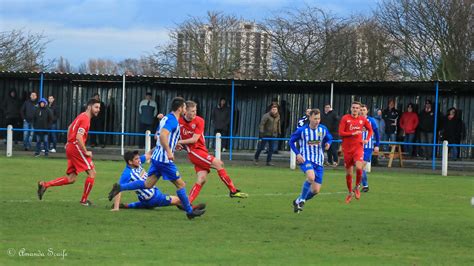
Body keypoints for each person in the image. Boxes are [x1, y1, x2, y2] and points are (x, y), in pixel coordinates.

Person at [108, 97, 205, 219]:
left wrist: (174, 143)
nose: (186, 109)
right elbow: (163, 136)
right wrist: (169, 151)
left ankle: (120, 187)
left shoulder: (167, 118)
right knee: (181, 185)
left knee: (148, 184)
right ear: (180, 108)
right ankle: (190, 212)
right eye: (185, 107)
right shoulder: (173, 121)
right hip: (164, 160)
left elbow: (158, 136)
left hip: (156, 157)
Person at [177, 101, 248, 203]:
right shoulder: (178, 122)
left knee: (202, 179)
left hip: (201, 151)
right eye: (192, 111)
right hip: (194, 152)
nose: (194, 113)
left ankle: (186, 202)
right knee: (218, 163)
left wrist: (179, 142)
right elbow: (170, 129)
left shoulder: (199, 121)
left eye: (195, 110)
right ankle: (233, 190)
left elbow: (194, 139)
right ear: (185, 111)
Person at [37, 98, 101, 206]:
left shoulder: (81, 116)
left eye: (99, 107)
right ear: (89, 107)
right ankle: (84, 201)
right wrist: (86, 152)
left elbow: (70, 127)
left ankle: (45, 184)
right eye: (96, 107)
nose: (98, 109)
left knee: (71, 179)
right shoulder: (85, 119)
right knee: (92, 173)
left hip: (71, 147)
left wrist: (69, 142)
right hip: (76, 147)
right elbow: (79, 137)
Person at [110, 150, 206, 211]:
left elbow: (149, 154)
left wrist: (160, 144)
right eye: (136, 159)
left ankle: (128, 206)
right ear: (130, 162)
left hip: (146, 199)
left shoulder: (138, 164)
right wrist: (116, 208)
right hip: (154, 198)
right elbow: (118, 189)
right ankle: (192, 208)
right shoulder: (127, 173)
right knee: (179, 199)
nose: (139, 160)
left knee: (146, 205)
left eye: (139, 158)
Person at [289, 109, 332, 213]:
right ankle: (302, 200)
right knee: (311, 177)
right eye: (315, 118)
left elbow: (329, 138)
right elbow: (291, 141)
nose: (317, 121)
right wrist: (298, 154)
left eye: (319, 118)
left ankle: (298, 200)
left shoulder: (323, 129)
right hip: (306, 159)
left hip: (319, 162)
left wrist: (328, 143)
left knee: (315, 190)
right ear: (310, 118)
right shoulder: (302, 130)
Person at [338, 101, 373, 203]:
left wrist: (366, 139)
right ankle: (350, 192)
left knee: (359, 167)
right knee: (349, 173)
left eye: (357, 108)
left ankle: (357, 187)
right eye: (353, 107)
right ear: (351, 108)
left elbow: (370, 130)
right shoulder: (345, 118)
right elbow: (341, 133)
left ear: (359, 109)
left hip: (358, 148)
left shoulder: (362, 119)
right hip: (347, 149)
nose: (355, 109)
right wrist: (353, 133)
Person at [359, 104, 380, 192]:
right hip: (357, 147)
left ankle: (360, 185)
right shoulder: (356, 120)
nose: (362, 111)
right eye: (361, 109)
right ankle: (364, 185)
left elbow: (377, 133)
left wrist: (377, 145)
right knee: (360, 168)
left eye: (364, 109)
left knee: (360, 167)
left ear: (367, 111)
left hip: (368, 147)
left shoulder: (371, 121)